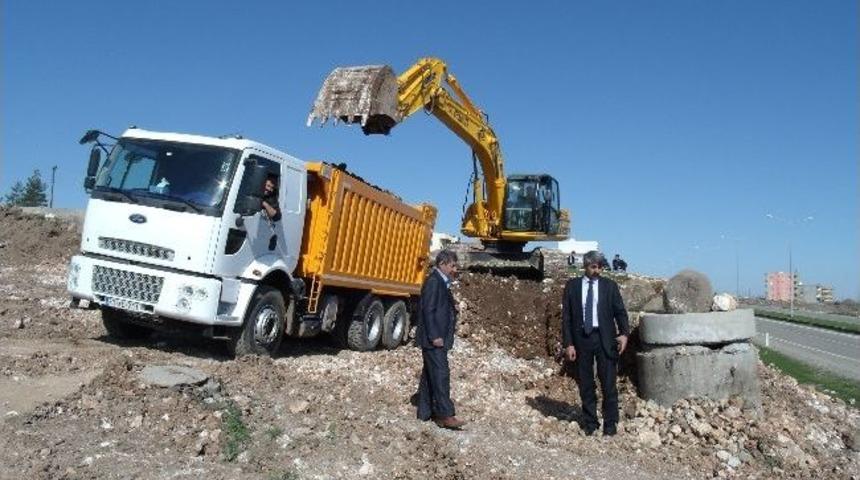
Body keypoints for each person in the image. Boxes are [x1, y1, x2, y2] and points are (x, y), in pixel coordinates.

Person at [561, 250, 630, 436]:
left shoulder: (610, 286)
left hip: (605, 338)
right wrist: (568, 344)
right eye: (593, 267)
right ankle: (590, 423)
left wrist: (624, 334)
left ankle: (610, 424)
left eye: (600, 267)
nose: (597, 270)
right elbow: (566, 317)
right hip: (582, 338)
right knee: (586, 382)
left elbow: (620, 312)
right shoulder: (573, 286)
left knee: (608, 383)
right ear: (585, 266)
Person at [415, 250, 465, 430]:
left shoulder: (442, 283)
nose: (455, 269)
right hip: (434, 340)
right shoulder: (434, 282)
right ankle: (446, 414)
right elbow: (428, 310)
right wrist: (435, 336)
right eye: (452, 265)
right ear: (442, 264)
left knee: (429, 376)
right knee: (441, 375)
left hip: (437, 339)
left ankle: (425, 413)